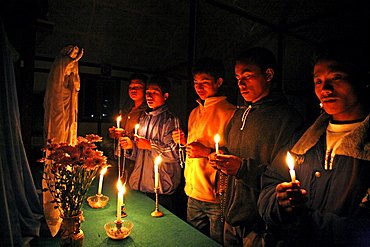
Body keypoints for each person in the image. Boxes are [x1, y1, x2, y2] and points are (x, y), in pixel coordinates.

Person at [258, 42, 370, 246]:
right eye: (318, 81)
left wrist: (305, 221)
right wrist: (279, 204)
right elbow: (269, 183)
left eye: (336, 78)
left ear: (363, 79)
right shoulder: (304, 139)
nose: (325, 89)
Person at [209, 47, 303, 246]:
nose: (240, 84)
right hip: (231, 217)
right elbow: (232, 151)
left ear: (268, 74)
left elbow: (287, 177)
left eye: (247, 76)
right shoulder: (239, 115)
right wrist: (220, 157)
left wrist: (244, 169)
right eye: (237, 78)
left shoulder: (288, 119)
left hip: (262, 226)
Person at [172, 57, 236, 244]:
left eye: (205, 82)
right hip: (192, 192)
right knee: (191, 240)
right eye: (196, 83)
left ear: (219, 82)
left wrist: (207, 152)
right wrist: (184, 142)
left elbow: (235, 153)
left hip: (216, 197)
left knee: (216, 242)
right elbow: (194, 150)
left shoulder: (230, 112)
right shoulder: (194, 112)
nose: (199, 87)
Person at [120, 75, 182, 213]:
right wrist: (131, 147)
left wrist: (150, 145)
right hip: (139, 185)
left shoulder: (170, 120)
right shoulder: (144, 119)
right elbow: (140, 154)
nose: (149, 96)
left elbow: (175, 154)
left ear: (165, 96)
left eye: (155, 92)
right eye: (148, 92)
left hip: (160, 188)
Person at [43, 45, 83, 236]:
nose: (70, 69)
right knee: (56, 155)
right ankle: (55, 212)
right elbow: (56, 110)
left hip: (68, 124)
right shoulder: (57, 90)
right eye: (68, 65)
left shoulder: (71, 89)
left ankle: (69, 209)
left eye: (73, 67)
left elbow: (75, 88)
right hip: (59, 123)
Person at [109, 73, 148, 180]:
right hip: (122, 156)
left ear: (145, 89)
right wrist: (115, 133)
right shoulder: (127, 109)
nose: (133, 89)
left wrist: (125, 134)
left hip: (137, 160)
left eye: (138, 87)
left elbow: (146, 137)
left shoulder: (148, 111)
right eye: (131, 87)